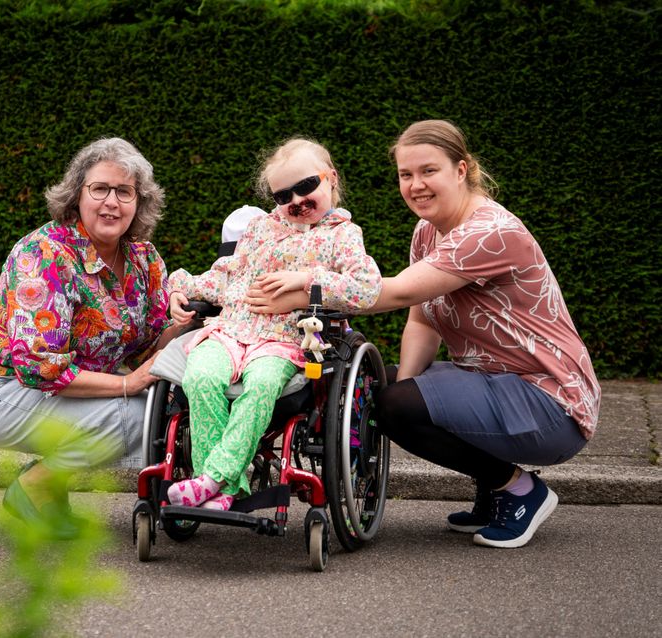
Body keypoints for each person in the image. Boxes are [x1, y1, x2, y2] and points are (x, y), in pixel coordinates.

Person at [245, 120, 601, 548]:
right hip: (494, 382)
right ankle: (494, 489)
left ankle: (519, 491)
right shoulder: (428, 231)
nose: (416, 185)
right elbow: (422, 320)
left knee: (395, 403)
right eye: (405, 175)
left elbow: (396, 292)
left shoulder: (490, 232)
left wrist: (307, 286)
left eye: (428, 171)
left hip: (552, 401)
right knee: (384, 390)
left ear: (461, 169)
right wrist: (403, 388)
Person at [0, 137, 185, 538]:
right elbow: (39, 367)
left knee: (164, 407)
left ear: (139, 202)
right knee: (140, 419)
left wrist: (185, 320)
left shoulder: (143, 259)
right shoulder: (45, 253)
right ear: (77, 194)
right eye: (100, 189)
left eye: (124, 192)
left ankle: (48, 494)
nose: (111, 202)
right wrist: (127, 383)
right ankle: (35, 486)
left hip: (60, 390)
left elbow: (150, 348)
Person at [165, 138, 382, 512]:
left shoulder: (343, 236)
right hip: (230, 330)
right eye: (284, 195)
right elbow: (227, 277)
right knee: (199, 377)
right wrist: (177, 289)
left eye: (306, 187)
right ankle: (223, 490)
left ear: (330, 178)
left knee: (262, 384)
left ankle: (215, 479)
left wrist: (306, 280)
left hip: (282, 341)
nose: (296, 200)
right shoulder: (259, 229)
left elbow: (366, 289)